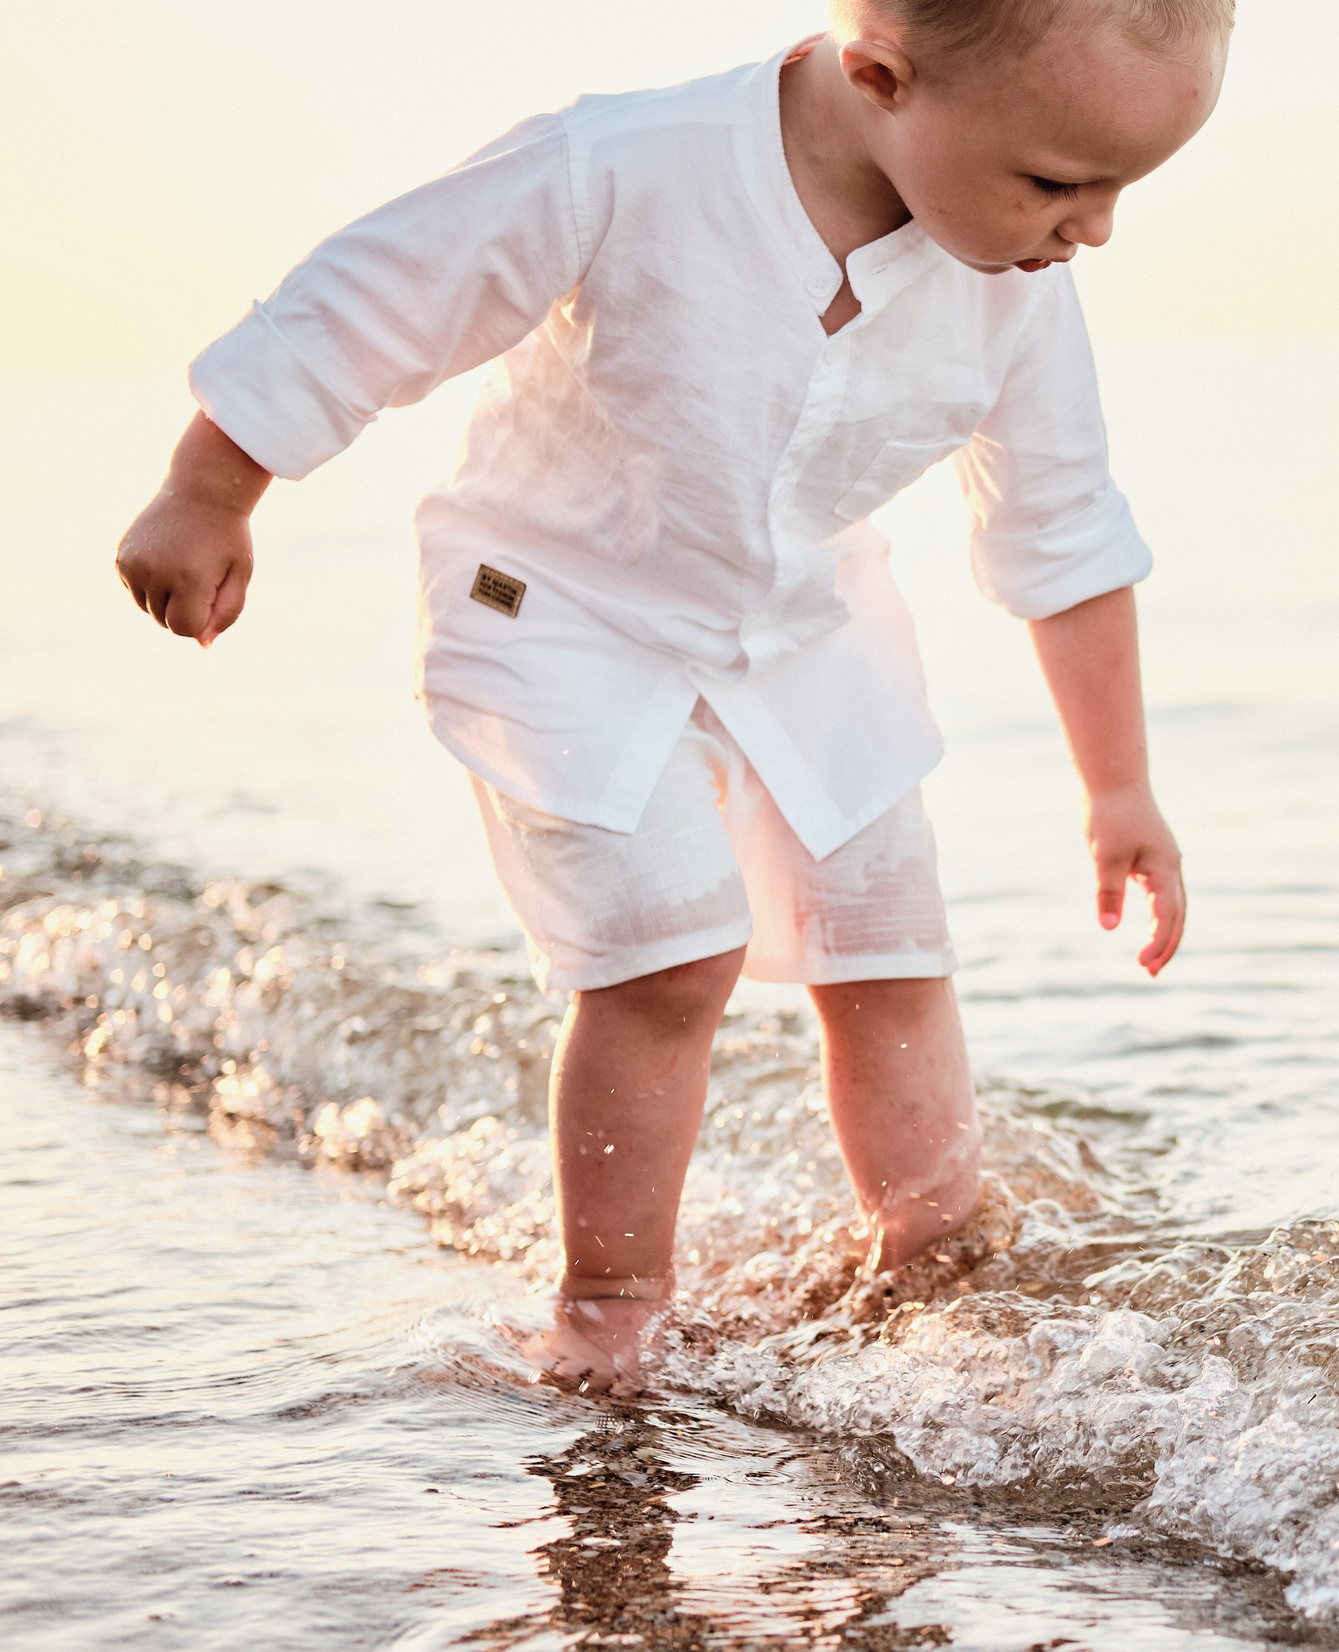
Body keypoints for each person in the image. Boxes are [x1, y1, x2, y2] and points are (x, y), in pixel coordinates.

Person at [109, 0, 1225, 1393]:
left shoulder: (1018, 286)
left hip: (807, 626)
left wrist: (1118, 790)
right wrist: (212, 486)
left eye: (1123, 187)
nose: (1095, 229)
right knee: (669, 948)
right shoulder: (626, 166)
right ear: (882, 77)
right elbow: (381, 299)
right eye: (1060, 183)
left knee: (886, 936)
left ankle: (936, 1256)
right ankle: (610, 1309)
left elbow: (1060, 531)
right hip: (554, 608)